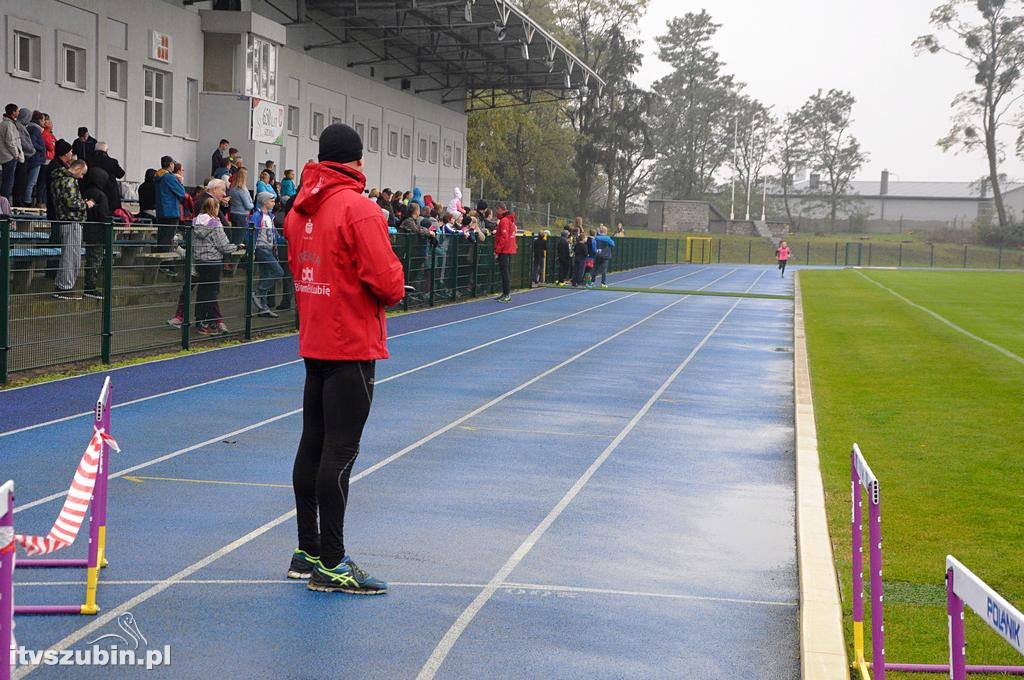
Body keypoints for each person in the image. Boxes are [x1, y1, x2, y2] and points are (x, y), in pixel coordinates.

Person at [282, 123, 405, 594]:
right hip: (351, 342)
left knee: (311, 444)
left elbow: (301, 267)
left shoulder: (298, 209)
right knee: (340, 451)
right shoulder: (360, 209)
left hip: (315, 338)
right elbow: (388, 284)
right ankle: (332, 563)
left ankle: (306, 550)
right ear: (355, 162)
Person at [192, 197, 239, 335]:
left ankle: (199, 320)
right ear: (215, 208)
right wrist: (236, 247)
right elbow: (223, 246)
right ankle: (206, 322)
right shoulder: (215, 224)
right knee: (211, 292)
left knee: (202, 291)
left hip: (199, 260)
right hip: (212, 261)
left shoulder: (195, 222)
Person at [52, 159, 93, 299]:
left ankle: (62, 285)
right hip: (72, 221)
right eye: (82, 173)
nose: (82, 177)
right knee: (71, 256)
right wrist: (86, 204)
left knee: (68, 255)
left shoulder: (57, 179)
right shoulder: (69, 181)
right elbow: (71, 202)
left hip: (63, 220)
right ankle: (65, 287)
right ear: (78, 168)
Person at [250, 191, 281, 318]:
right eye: (272, 200)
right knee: (278, 272)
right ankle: (259, 293)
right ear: (265, 202)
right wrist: (251, 250)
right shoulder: (257, 216)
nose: (274, 203)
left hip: (268, 249)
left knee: (265, 275)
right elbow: (251, 234)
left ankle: (263, 307)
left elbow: (275, 236)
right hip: (262, 249)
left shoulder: (270, 216)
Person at [81, 166, 111, 300]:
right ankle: (90, 287)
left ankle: (90, 285)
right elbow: (103, 214)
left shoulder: (86, 191)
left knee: (91, 259)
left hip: (88, 230)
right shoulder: (100, 194)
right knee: (95, 259)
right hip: (98, 231)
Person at [155, 155, 186, 274]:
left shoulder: (158, 176)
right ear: (171, 165)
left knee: (162, 238)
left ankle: (162, 263)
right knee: (168, 239)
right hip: (171, 212)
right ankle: (166, 264)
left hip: (161, 211)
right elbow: (182, 193)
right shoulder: (169, 177)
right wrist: (181, 182)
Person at [89, 142, 125, 213]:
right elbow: (121, 174)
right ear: (106, 151)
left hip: (94, 191)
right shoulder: (112, 162)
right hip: (111, 192)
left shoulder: (89, 160)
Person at [0, 104, 24, 202]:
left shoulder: (8, 123)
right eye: (17, 111)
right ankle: (4, 203)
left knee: (8, 181)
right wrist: (16, 154)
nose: (19, 112)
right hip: (9, 156)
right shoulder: (8, 124)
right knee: (8, 182)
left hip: (7, 156)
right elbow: (10, 141)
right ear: (13, 112)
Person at [493, 201, 517, 302]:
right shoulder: (508, 219)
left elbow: (504, 237)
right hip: (508, 249)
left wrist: (497, 251)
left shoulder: (504, 220)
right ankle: (505, 293)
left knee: (504, 272)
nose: (496, 212)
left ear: (499, 209)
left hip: (504, 250)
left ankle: (507, 294)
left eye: (496, 210)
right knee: (505, 272)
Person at [12, 108, 36, 206]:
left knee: (23, 181)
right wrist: (32, 150)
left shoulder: (22, 126)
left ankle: (19, 200)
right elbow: (23, 142)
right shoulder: (19, 126)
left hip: (24, 156)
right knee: (20, 181)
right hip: (22, 157)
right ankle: (18, 202)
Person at [23, 111, 46, 207]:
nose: (44, 122)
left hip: (34, 159)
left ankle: (27, 200)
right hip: (36, 159)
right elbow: (33, 143)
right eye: (43, 120)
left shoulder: (30, 127)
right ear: (39, 120)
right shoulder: (35, 129)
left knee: (30, 182)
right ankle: (27, 202)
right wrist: (42, 148)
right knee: (31, 182)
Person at [228, 167, 253, 246]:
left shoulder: (232, 189)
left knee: (235, 236)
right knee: (240, 237)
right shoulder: (242, 190)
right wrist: (252, 203)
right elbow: (248, 206)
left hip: (233, 213)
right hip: (241, 215)